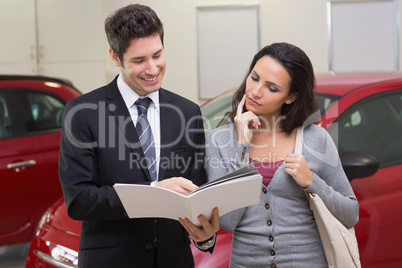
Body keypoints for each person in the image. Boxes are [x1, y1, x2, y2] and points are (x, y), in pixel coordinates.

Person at [59, 4, 218, 268]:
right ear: (115, 56)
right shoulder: (82, 113)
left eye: (157, 55)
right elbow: (80, 200)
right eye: (139, 60)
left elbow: (196, 192)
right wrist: (154, 191)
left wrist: (204, 237)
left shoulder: (187, 112)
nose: (153, 68)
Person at [205, 42, 359, 267]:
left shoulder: (316, 139)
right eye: (254, 77)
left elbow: (350, 214)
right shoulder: (219, 140)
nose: (255, 91)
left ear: (291, 97)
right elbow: (228, 220)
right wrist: (241, 148)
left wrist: (312, 182)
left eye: (272, 88)